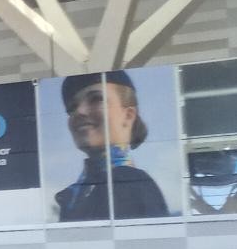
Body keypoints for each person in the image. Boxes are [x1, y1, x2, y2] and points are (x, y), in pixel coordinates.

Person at [52, 70, 171, 221]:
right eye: (72, 108)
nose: (79, 111)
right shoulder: (78, 193)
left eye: (96, 99)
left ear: (128, 116)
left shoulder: (129, 183)